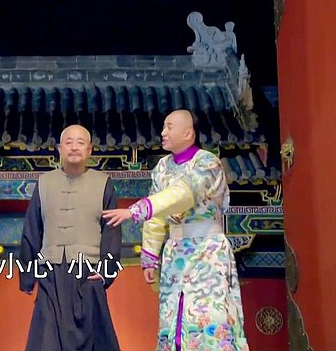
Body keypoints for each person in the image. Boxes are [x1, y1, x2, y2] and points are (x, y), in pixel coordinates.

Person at [103, 109, 250, 351]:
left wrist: (136, 210)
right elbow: (158, 215)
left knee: (209, 319)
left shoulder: (207, 163)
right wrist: (149, 256)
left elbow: (182, 194)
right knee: (174, 318)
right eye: (163, 127)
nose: (163, 132)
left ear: (188, 133)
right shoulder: (162, 167)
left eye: (169, 127)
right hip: (175, 253)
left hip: (207, 251)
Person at [19, 124, 122, 351]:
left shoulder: (103, 183)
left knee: (91, 340)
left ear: (89, 150)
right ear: (59, 149)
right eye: (68, 142)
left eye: (80, 142)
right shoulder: (44, 182)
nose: (74, 147)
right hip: (50, 273)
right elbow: (32, 229)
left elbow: (111, 231)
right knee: (47, 341)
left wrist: (106, 271)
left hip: (88, 271)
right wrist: (27, 274)